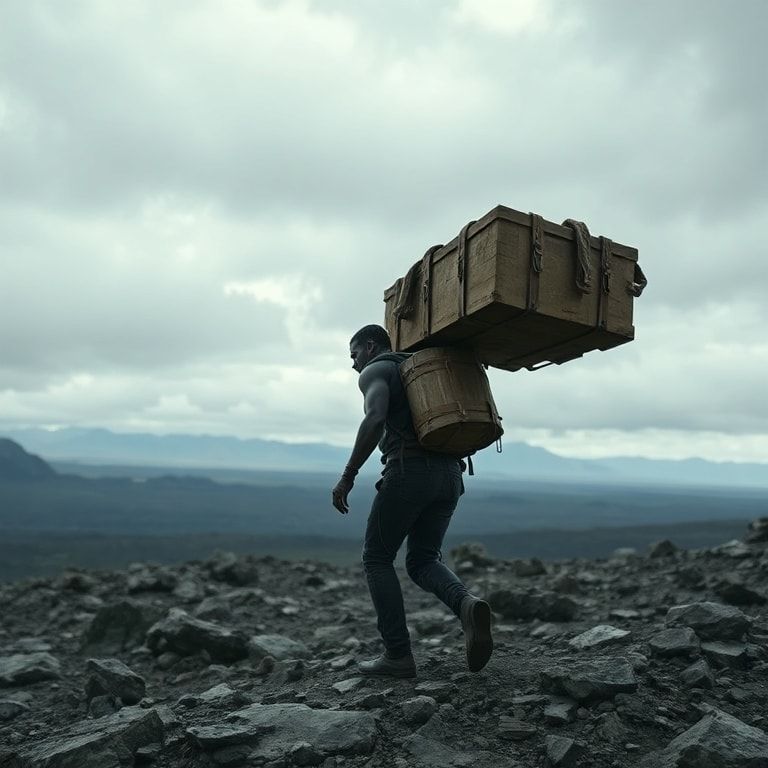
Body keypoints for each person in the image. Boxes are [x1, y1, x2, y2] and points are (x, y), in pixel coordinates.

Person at [332, 324, 493, 678]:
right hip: (450, 476)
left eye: (354, 354)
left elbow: (374, 417)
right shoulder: (418, 366)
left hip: (409, 471)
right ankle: (466, 604)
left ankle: (397, 655)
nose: (354, 365)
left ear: (371, 347)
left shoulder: (379, 370)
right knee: (422, 560)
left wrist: (348, 475)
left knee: (376, 558)